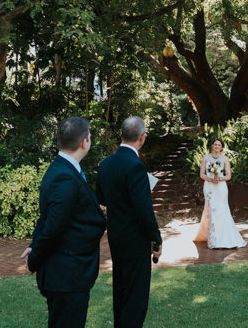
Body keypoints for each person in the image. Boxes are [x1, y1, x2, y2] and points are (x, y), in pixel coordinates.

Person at [21, 117, 107, 328]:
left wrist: (34, 245)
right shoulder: (64, 176)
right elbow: (53, 226)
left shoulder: (65, 169)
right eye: (90, 137)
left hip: (70, 274)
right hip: (67, 275)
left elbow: (51, 218)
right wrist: (35, 258)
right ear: (84, 142)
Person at [96, 116, 163, 328]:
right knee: (136, 297)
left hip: (116, 237)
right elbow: (144, 210)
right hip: (135, 240)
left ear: (122, 135)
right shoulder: (136, 166)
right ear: (142, 138)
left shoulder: (105, 164)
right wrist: (156, 239)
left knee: (121, 291)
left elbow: (101, 199)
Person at [193, 138, 246, 248]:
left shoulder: (225, 158)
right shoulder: (206, 157)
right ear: (212, 146)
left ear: (222, 147)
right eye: (215, 144)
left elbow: (228, 176)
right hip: (209, 186)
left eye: (219, 145)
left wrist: (219, 179)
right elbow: (202, 174)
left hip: (221, 187)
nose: (216, 146)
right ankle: (213, 237)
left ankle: (225, 237)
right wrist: (210, 179)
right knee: (211, 209)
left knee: (222, 209)